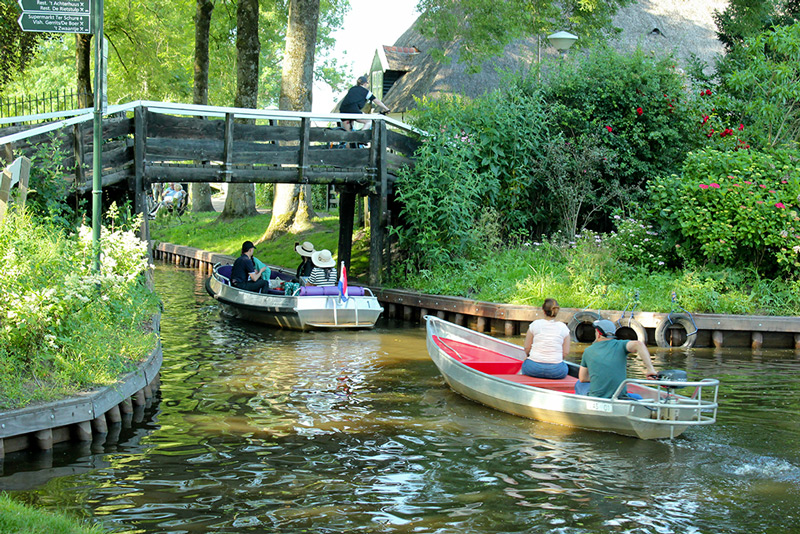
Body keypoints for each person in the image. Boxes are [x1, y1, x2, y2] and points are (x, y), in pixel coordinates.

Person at [574, 319, 658, 399]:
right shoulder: (620, 345)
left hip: (597, 397)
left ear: (599, 334)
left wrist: (600, 378)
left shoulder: (588, 351)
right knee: (638, 397)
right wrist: (650, 369)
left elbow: (582, 378)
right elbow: (638, 344)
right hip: (619, 396)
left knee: (579, 384)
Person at [521, 298, 571, 379]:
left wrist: (528, 356)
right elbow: (565, 352)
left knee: (525, 363)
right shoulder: (563, 327)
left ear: (543, 311)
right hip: (556, 371)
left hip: (533, 368)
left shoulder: (535, 324)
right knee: (564, 367)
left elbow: (527, 348)